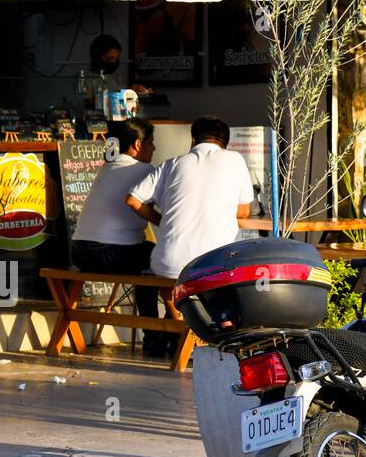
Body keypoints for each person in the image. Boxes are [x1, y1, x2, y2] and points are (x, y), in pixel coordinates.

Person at [126, 113, 253, 280]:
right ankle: (185, 306)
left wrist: (161, 221)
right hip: (214, 265)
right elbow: (244, 211)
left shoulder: (170, 164)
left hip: (167, 265)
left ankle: (174, 306)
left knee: (166, 277)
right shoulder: (235, 160)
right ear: (225, 144)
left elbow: (133, 200)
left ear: (193, 140)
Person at [70, 118, 160, 347]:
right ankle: (156, 336)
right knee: (159, 259)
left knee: (148, 257)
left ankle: (157, 334)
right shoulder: (145, 171)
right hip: (110, 254)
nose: (154, 148)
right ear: (138, 145)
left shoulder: (108, 166)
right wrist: (163, 221)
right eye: (151, 143)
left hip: (80, 252)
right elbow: (163, 207)